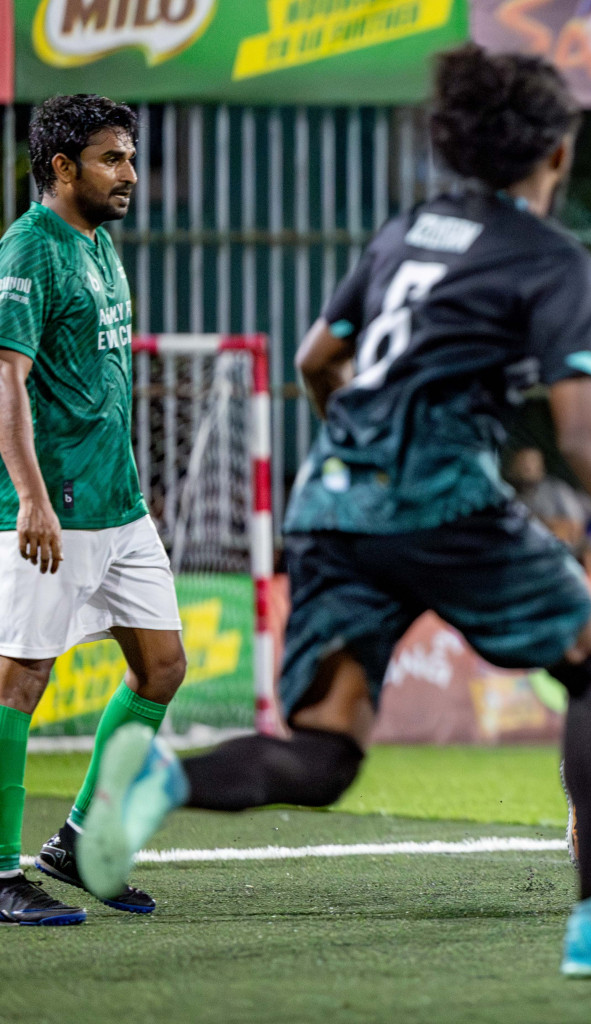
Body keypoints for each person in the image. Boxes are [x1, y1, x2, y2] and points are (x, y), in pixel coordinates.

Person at [77, 47, 591, 977]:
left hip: (328, 499)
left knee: (324, 755)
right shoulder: (557, 265)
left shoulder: (408, 228)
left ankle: (162, 774)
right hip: (440, 495)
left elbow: (317, 361)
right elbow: (589, 442)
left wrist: (361, 464)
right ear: (556, 153)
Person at [0, 95, 189, 926]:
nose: (131, 175)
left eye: (133, 157)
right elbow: (5, 380)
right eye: (114, 159)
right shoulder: (29, 249)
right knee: (21, 678)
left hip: (121, 507)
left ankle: (78, 842)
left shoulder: (99, 246)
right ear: (63, 166)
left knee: (162, 669)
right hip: (54, 510)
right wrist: (33, 499)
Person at [505, 444, 590, 553]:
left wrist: (544, 524)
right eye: (522, 463)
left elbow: (575, 525)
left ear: (541, 466)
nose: (527, 467)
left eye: (531, 462)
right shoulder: (507, 493)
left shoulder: (557, 489)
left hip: (557, 551)